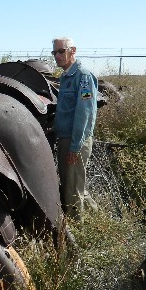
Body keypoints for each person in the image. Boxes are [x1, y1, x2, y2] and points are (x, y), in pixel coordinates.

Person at [52, 37, 98, 222]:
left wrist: (75, 146)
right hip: (66, 138)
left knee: (72, 188)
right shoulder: (66, 76)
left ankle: (76, 229)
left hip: (74, 140)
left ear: (73, 50)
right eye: (54, 52)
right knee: (76, 184)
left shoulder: (83, 77)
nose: (57, 56)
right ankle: (97, 221)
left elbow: (85, 113)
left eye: (61, 51)